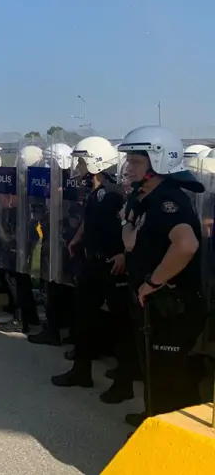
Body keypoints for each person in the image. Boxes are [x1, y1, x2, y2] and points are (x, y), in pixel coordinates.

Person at [117, 126, 207, 428]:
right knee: (153, 372)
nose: (129, 167)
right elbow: (130, 241)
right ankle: (151, 420)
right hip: (152, 305)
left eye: (136, 161)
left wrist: (153, 282)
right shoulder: (143, 199)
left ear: (159, 163)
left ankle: (166, 441)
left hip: (171, 305)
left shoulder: (169, 201)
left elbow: (186, 246)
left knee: (169, 378)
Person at [50, 137, 136, 403]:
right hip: (92, 263)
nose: (79, 167)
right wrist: (77, 238)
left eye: (83, 161)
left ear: (96, 161)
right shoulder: (95, 192)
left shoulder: (115, 193)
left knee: (122, 327)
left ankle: (124, 384)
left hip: (113, 266)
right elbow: (90, 220)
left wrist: (123, 253)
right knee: (83, 318)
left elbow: (132, 224)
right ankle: (81, 372)